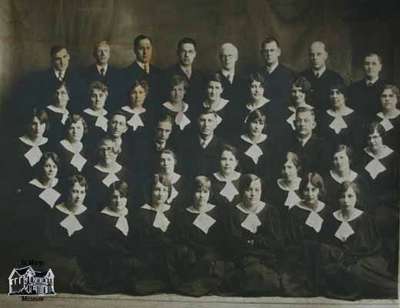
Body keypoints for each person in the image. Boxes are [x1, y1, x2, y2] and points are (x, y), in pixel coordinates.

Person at [319, 182, 397, 299]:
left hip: (361, 260)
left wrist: (353, 257)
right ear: (338, 199)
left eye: (350, 196)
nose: (346, 200)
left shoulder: (365, 219)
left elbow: (373, 248)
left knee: (358, 271)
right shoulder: (330, 219)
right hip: (337, 262)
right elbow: (326, 246)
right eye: (342, 196)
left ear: (356, 198)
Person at [224, 174, 283, 296]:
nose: (253, 194)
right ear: (242, 191)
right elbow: (232, 243)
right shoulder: (234, 212)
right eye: (249, 189)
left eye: (257, 190)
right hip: (244, 258)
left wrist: (253, 242)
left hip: (267, 258)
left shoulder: (270, 211)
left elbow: (276, 241)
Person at [168, 176, 224, 296]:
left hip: (212, 254)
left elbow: (222, 240)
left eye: (205, 192)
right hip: (192, 254)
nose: (202, 196)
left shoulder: (218, 212)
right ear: (192, 193)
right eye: (198, 192)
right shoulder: (184, 214)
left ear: (210, 193)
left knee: (211, 263)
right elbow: (180, 239)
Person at [282, 172, 330, 296]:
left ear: (319, 190)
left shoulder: (326, 211)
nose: (310, 194)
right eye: (306, 190)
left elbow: (330, 238)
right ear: (301, 191)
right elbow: (290, 239)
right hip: (300, 254)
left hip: (322, 254)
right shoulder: (294, 211)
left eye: (313, 189)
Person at [44, 174, 92, 293]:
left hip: (82, 259)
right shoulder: (55, 213)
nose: (78, 197)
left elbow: (91, 244)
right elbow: (51, 242)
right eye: (75, 191)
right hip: (59, 258)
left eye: (82, 192)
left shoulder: (89, 215)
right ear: (67, 191)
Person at [88, 181, 136, 294]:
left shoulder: (132, 215)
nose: (118, 201)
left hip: (128, 258)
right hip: (109, 260)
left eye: (122, 196)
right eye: (114, 197)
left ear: (127, 198)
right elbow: (99, 245)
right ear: (109, 198)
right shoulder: (101, 218)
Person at [133, 174, 177, 294]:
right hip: (149, 255)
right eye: (157, 190)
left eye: (164, 190)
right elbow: (140, 240)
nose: (160, 194)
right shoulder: (142, 213)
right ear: (150, 191)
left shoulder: (173, 211)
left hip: (169, 256)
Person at [16, 152, 62, 259]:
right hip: (36, 234)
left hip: (57, 234)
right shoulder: (30, 188)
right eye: (47, 166)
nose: (51, 170)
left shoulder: (61, 186)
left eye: (54, 166)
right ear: (41, 167)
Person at [35, 45, 84, 112]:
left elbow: (80, 100)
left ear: (68, 57)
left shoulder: (76, 77)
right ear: (52, 61)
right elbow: (40, 101)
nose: (62, 62)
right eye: (58, 59)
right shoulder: (43, 78)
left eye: (64, 57)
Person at [11, 109, 51, 192]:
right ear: (27, 124)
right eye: (34, 124)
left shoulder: (50, 144)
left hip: (47, 188)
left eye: (41, 123)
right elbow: (14, 173)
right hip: (24, 189)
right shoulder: (17, 145)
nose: (38, 128)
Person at [280, 106, 328, 175]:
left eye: (306, 121)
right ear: (294, 124)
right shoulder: (284, 144)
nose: (302, 124)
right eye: (299, 121)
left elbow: (323, 171)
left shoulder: (322, 145)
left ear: (313, 125)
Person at [85, 137, 128, 210]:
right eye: (102, 150)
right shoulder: (91, 172)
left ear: (116, 151)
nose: (105, 153)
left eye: (109, 149)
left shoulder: (125, 172)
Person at [300, 41, 344, 112]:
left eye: (319, 54)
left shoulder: (336, 78)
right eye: (312, 55)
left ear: (325, 55)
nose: (315, 58)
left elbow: (340, 104)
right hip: (307, 119)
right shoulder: (302, 77)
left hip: (328, 118)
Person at [324, 144, 370, 211]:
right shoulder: (326, 179)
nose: (339, 162)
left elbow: (364, 205)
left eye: (342, 158)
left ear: (349, 159)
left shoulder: (360, 180)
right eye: (335, 159)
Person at [163, 37, 205, 109]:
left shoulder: (201, 76)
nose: (187, 55)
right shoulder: (167, 74)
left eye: (190, 51)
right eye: (183, 51)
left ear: (195, 54)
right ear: (178, 53)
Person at [319, 83, 362, 153]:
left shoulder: (355, 117)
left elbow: (357, 144)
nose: (334, 96)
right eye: (332, 93)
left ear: (345, 96)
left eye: (338, 93)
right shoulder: (323, 116)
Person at [122, 34, 162, 106]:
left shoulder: (159, 72)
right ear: (135, 50)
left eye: (148, 48)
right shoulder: (126, 73)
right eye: (141, 48)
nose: (145, 52)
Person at [234, 110, 275, 180]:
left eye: (261, 123)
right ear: (248, 123)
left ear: (264, 126)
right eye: (254, 122)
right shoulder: (238, 142)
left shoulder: (270, 143)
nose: (257, 127)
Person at [258, 36, 295, 112]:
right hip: (261, 117)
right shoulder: (257, 74)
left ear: (278, 52)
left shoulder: (289, 74)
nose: (269, 54)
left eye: (272, 50)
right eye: (266, 51)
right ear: (262, 53)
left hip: (282, 116)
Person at [184, 110, 224, 177]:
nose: (206, 125)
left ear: (215, 124)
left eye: (210, 121)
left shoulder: (222, 146)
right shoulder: (187, 144)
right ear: (197, 122)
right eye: (202, 120)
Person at [83, 41, 121, 110]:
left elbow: (119, 97)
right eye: (99, 51)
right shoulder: (85, 73)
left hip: (112, 111)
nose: (103, 54)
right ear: (94, 54)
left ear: (109, 54)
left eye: (106, 51)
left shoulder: (118, 73)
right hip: (93, 111)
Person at [348, 52, 386, 121]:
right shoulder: (353, 88)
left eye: (374, 64)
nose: (370, 67)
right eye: (367, 64)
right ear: (363, 66)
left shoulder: (387, 88)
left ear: (380, 67)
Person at [269, 152, 302, 220]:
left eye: (290, 167)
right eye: (284, 168)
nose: (286, 171)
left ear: (297, 168)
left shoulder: (304, 186)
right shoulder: (275, 187)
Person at [160, 75, 194, 140]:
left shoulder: (189, 108)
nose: (177, 93)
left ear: (185, 91)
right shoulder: (163, 109)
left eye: (180, 89)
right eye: (173, 90)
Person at [211, 144, 242, 209]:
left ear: (236, 162)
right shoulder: (212, 180)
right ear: (219, 161)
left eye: (231, 159)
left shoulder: (242, 179)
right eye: (224, 159)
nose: (227, 163)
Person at [82, 81, 110, 148]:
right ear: (89, 98)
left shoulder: (109, 115)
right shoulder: (83, 116)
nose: (98, 99)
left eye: (101, 95)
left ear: (106, 97)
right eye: (94, 96)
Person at [374, 84, 400, 152]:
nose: (387, 99)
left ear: (397, 99)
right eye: (384, 96)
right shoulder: (374, 118)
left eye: (391, 96)